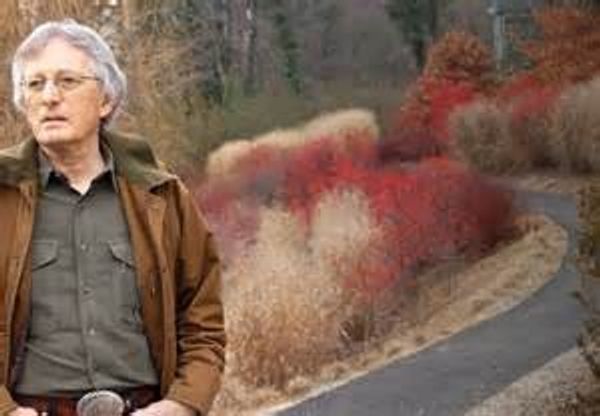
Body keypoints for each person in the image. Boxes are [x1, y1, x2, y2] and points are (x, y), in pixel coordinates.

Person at [0, 19, 226, 416]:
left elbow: (203, 322)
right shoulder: (4, 197)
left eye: (67, 81)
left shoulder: (161, 195)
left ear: (106, 99)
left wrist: (182, 404)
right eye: (34, 84)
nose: (49, 96)